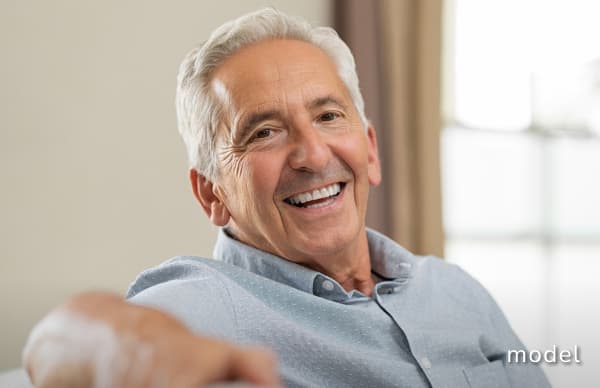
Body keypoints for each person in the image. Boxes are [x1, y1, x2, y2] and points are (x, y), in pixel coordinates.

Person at [22, 8, 550, 388]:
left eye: (327, 116)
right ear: (212, 193)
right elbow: (53, 347)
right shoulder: (211, 307)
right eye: (264, 132)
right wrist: (127, 350)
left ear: (369, 149)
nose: (312, 154)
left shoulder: (456, 290)